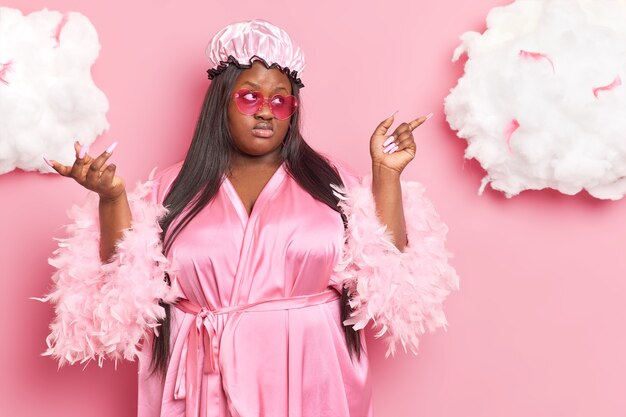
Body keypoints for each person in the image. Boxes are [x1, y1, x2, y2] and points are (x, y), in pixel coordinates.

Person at [40, 20, 458, 417]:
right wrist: (112, 198)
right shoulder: (171, 188)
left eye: (280, 101)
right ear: (222, 101)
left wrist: (386, 174)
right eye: (250, 97)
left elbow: (390, 276)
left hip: (312, 373)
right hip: (204, 376)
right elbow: (124, 292)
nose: (265, 112)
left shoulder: (332, 181)